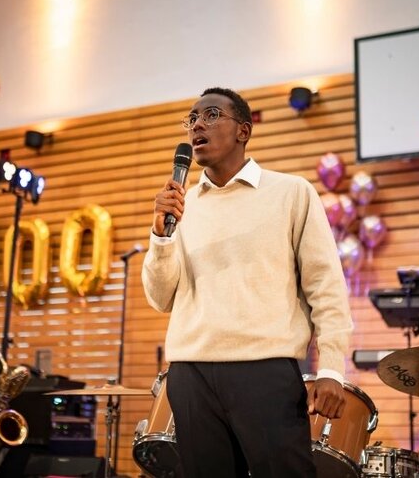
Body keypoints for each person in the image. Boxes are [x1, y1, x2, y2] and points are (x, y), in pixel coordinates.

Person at [142, 87, 353, 478]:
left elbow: (326, 286)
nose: (197, 125)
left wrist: (332, 368)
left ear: (244, 130)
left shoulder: (291, 192)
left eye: (210, 115)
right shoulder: (182, 205)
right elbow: (160, 298)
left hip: (265, 372)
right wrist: (161, 235)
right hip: (190, 374)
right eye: (192, 119)